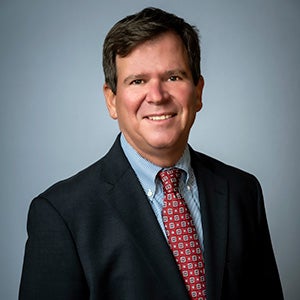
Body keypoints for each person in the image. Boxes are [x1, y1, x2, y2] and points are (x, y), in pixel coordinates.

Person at [19, 7, 284, 300]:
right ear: (111, 100)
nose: (157, 96)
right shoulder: (62, 215)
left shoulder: (242, 192)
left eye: (173, 77)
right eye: (137, 81)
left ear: (198, 92)